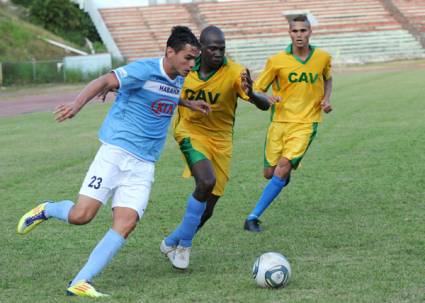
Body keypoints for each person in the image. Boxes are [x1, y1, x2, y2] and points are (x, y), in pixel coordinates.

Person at [16, 26, 209, 298]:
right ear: (170, 52)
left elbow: (165, 93)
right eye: (188, 58)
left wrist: (190, 105)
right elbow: (106, 81)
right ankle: (47, 209)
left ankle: (80, 281)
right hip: (116, 153)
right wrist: (75, 106)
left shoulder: (178, 77)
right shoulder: (144, 69)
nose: (192, 64)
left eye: (194, 59)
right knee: (81, 216)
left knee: (126, 222)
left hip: (144, 165)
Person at [159, 25, 272, 270]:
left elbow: (265, 106)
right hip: (189, 133)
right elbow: (158, 83)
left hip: (221, 142)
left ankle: (170, 242)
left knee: (208, 209)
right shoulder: (186, 66)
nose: (218, 53)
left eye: (222, 49)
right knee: (205, 181)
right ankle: (184, 246)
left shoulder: (235, 72)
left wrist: (252, 94)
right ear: (201, 48)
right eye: (212, 48)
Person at [243, 15, 333, 232]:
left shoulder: (322, 57)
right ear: (289, 33)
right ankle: (283, 175)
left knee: (281, 169)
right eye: (295, 31)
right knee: (270, 173)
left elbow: (328, 78)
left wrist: (326, 98)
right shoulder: (277, 61)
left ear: (310, 32)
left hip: (306, 122)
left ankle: (252, 218)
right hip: (279, 122)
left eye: (303, 31)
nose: (299, 35)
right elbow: (259, 88)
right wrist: (269, 98)